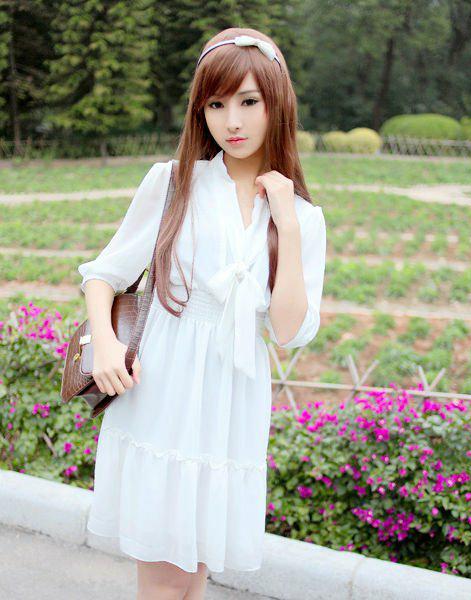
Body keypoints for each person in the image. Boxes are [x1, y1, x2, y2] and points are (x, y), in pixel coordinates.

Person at [78, 27, 327, 600]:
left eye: (248, 102)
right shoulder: (175, 183)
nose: (231, 121)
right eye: (215, 105)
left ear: (277, 105)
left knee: (191, 580)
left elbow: (288, 330)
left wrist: (287, 224)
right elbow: (104, 274)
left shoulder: (302, 218)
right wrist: (106, 345)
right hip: (163, 395)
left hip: (231, 406)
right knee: (166, 582)